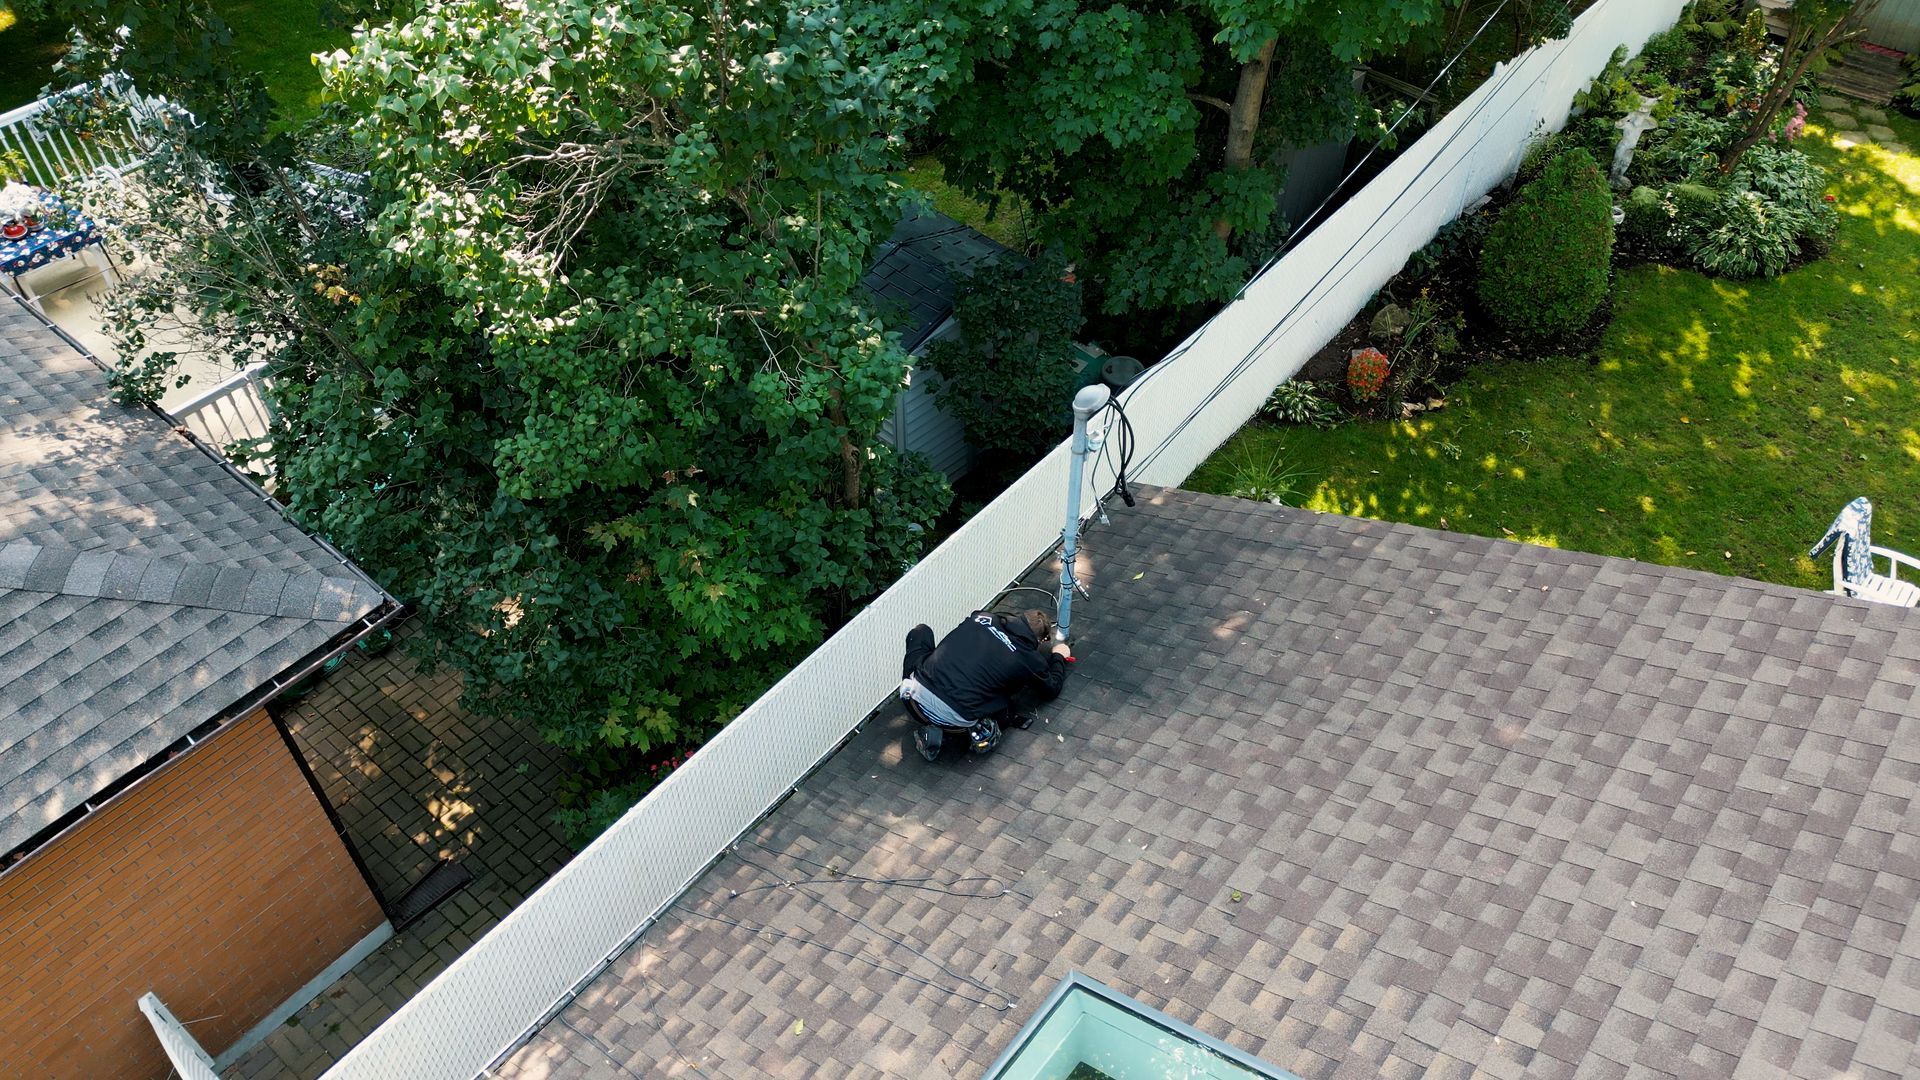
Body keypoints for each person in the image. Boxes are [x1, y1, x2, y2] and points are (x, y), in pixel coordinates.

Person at [899, 609, 1072, 761]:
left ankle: (934, 725)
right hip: (957, 723)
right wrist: (1058, 657)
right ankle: (970, 733)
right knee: (1004, 695)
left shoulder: (982, 617)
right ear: (1041, 640)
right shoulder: (1030, 659)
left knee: (921, 632)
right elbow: (1051, 689)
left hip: (912, 700)